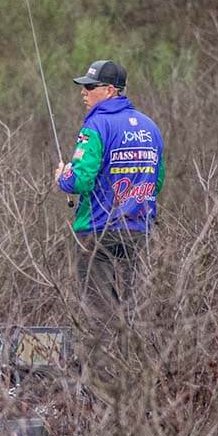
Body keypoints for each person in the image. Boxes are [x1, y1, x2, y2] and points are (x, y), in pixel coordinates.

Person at [56, 59, 164, 319]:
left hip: (96, 230)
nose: (84, 92)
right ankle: (139, 360)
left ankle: (103, 361)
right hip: (139, 231)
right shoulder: (150, 127)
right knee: (137, 312)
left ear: (110, 90)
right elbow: (157, 182)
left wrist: (63, 177)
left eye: (91, 86)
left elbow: (80, 181)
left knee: (100, 314)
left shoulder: (95, 126)